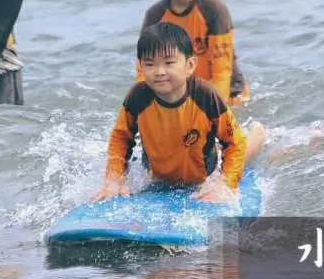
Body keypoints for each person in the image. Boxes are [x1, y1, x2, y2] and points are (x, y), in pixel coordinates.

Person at [96, 22, 266, 203]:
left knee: (243, 152)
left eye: (169, 63)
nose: (159, 71)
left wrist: (224, 185)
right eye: (150, 64)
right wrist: (114, 178)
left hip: (203, 174)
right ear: (140, 67)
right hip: (158, 176)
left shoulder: (205, 96)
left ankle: (258, 133)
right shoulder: (138, 97)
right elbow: (121, 138)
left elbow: (234, 143)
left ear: (190, 65)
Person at [135, 0, 250, 106]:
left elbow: (221, 74)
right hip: (180, 95)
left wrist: (212, 112)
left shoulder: (214, 10)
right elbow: (144, 72)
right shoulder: (154, 16)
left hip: (228, 95)